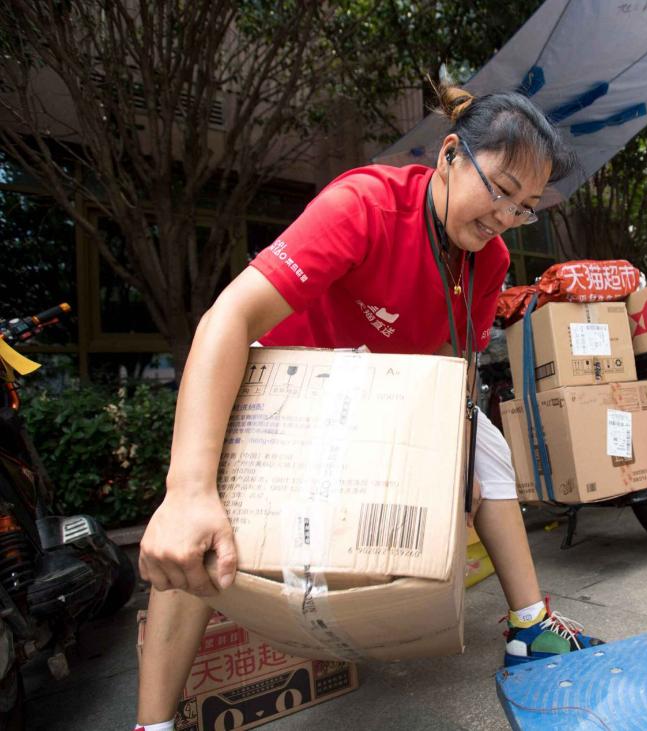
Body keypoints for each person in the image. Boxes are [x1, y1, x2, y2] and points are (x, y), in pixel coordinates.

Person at [134, 86, 603, 731]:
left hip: (381, 389)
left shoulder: (487, 259)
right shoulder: (366, 205)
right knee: (195, 526)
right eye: (499, 188)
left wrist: (446, 458)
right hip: (286, 382)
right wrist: (187, 489)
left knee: (485, 442)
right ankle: (153, 722)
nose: (504, 216)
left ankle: (531, 627)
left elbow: (449, 361)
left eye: (524, 208)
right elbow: (229, 317)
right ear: (449, 155)